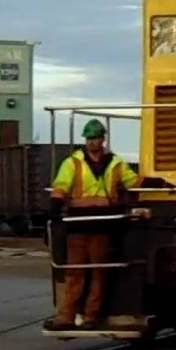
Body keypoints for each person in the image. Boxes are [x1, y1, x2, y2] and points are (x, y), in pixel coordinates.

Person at [43, 119, 140, 331]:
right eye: (88, 139)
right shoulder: (73, 163)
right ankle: (66, 317)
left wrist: (154, 183)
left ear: (102, 139)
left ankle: (91, 317)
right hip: (77, 226)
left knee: (98, 272)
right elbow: (61, 186)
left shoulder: (116, 164)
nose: (91, 142)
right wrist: (54, 209)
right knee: (75, 272)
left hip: (103, 226)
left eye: (95, 138)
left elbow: (133, 181)